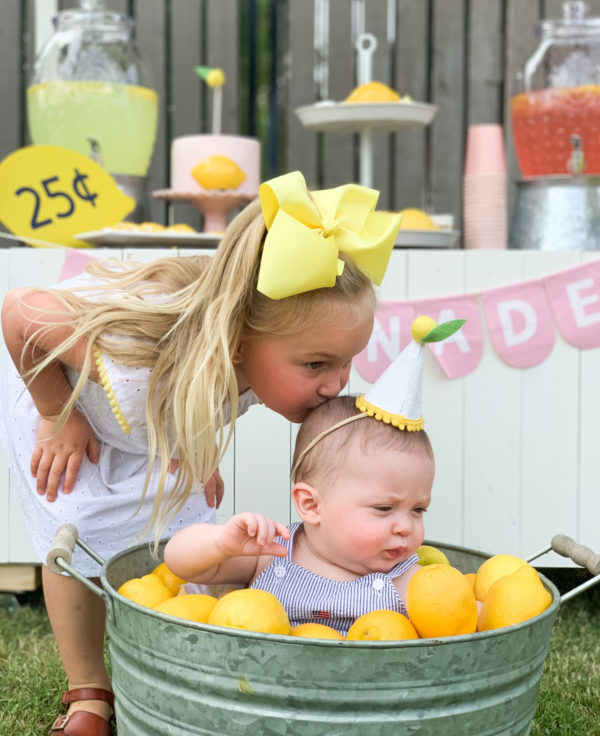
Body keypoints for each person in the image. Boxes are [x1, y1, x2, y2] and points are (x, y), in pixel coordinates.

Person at [0, 170, 402, 735]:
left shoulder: (250, 357)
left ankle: (186, 657)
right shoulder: (131, 365)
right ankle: (89, 689)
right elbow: (20, 312)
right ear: (239, 346)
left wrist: (198, 446)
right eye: (317, 365)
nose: (337, 383)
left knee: (190, 535)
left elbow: (212, 395)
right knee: (75, 530)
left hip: (155, 417)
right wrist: (53, 411)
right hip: (67, 400)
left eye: (347, 360)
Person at [164, 394, 435, 635]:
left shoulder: (406, 580)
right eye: (385, 508)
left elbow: (469, 621)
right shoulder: (270, 553)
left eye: (418, 510)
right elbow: (178, 562)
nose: (405, 527)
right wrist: (221, 542)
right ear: (311, 505)